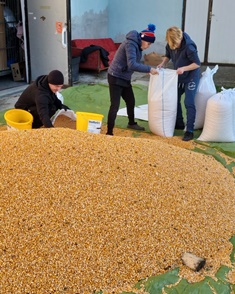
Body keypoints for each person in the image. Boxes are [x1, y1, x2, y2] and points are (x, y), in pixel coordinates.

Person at [106, 24, 159, 136]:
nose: (148, 46)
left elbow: (135, 63)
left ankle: (131, 123)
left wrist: (148, 69)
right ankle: (109, 132)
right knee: (115, 105)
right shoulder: (130, 44)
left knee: (131, 101)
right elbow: (132, 65)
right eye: (148, 43)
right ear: (143, 39)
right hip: (115, 76)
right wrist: (149, 69)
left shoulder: (138, 45)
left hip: (124, 77)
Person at [158, 26, 201, 141]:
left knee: (189, 102)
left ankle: (189, 130)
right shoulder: (170, 43)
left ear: (179, 38)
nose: (174, 47)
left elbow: (197, 63)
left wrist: (184, 68)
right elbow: (168, 55)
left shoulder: (189, 46)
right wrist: (163, 63)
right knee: (174, 98)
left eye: (176, 45)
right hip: (179, 75)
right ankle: (179, 122)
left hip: (191, 76)